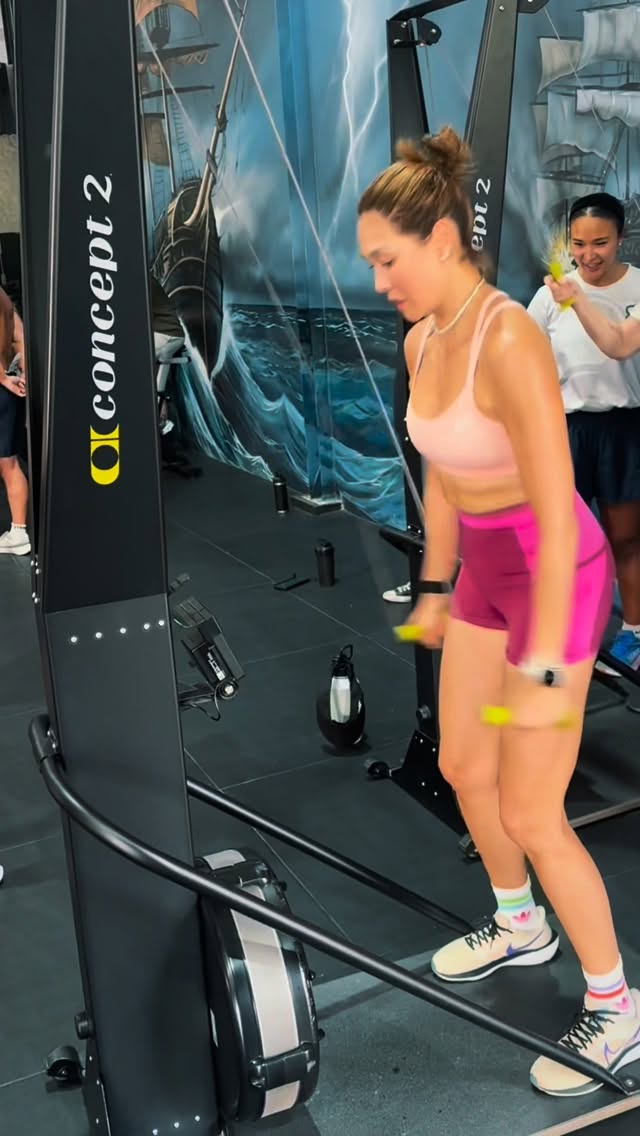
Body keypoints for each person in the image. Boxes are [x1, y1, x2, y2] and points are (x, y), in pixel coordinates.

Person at [357, 126, 640, 1098]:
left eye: (387, 260)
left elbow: (558, 512)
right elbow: (441, 473)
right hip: (482, 569)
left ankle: (618, 1007)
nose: (379, 281)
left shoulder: (508, 336)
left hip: (555, 570)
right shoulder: (422, 336)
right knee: (463, 764)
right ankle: (520, 922)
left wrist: (553, 655)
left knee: (530, 805)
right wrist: (435, 588)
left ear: (440, 240)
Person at [528, 194, 640, 671]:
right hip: (566, 429)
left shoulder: (637, 286)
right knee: (563, 543)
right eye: (578, 244)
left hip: (623, 429)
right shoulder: (550, 295)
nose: (588, 255)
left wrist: (575, 299)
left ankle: (634, 634)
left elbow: (618, 345)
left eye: (600, 243)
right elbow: (524, 357)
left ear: (620, 239)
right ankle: (567, 636)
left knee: (626, 539)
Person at [0, 286, 29, 555]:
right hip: (8, 382)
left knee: (7, 463)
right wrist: (23, 373)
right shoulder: (4, 299)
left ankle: (19, 533)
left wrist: (3, 377)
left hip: (3, 386)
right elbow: (19, 334)